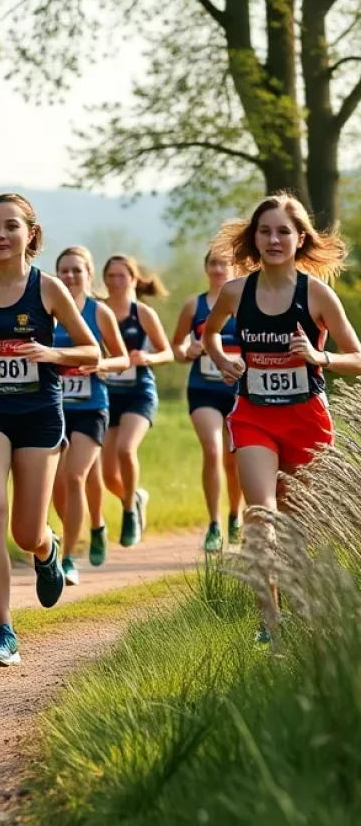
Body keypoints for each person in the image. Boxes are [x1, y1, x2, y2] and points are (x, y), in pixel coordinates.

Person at [0, 194, 99, 667]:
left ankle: (47, 548)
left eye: (11, 226)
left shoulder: (48, 289)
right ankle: (4, 631)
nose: (0, 235)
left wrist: (52, 354)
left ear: (30, 234)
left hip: (38, 415)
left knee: (26, 530)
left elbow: (91, 352)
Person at [204, 193, 361, 643]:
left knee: (297, 527)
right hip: (254, 417)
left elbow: (357, 356)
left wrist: (318, 356)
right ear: (254, 238)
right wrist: (222, 359)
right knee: (260, 514)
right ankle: (269, 624)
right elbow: (211, 332)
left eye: (283, 232)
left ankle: (304, 614)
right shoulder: (236, 291)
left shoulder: (316, 294)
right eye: (265, 231)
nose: (274, 239)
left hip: (307, 420)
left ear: (299, 239)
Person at [51, 247, 129, 584]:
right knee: (54, 486)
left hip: (90, 407)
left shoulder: (99, 313)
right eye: (64, 271)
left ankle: (68, 558)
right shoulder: (48, 310)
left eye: (76, 271)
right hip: (52, 406)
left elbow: (122, 359)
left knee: (74, 477)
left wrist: (99, 364)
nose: (70, 277)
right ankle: (90, 528)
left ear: (88, 275)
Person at [171, 250, 243, 552]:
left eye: (223, 264)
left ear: (234, 268)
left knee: (233, 459)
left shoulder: (243, 302)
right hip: (203, 388)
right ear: (206, 269)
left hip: (238, 389)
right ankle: (213, 524)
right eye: (212, 263)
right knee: (213, 451)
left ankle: (234, 516)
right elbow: (175, 346)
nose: (218, 269)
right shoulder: (194, 305)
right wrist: (188, 350)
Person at [101, 255, 173, 546]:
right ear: (104, 279)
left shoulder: (141, 313)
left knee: (126, 449)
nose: (116, 281)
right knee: (108, 476)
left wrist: (148, 357)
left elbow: (167, 352)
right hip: (106, 393)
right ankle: (136, 497)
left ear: (133, 279)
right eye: (111, 276)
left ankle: (129, 512)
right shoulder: (97, 311)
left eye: (122, 276)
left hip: (138, 391)